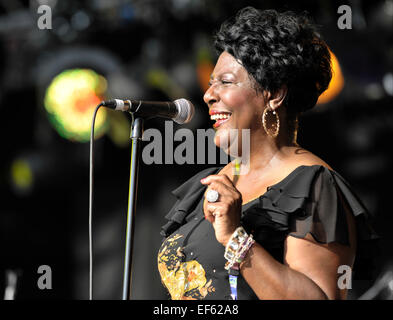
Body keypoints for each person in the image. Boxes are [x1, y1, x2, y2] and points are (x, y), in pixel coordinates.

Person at [157, 7, 378, 300]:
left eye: (225, 81)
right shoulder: (208, 184)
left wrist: (235, 237)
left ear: (274, 94)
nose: (209, 94)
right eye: (211, 82)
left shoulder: (311, 185)